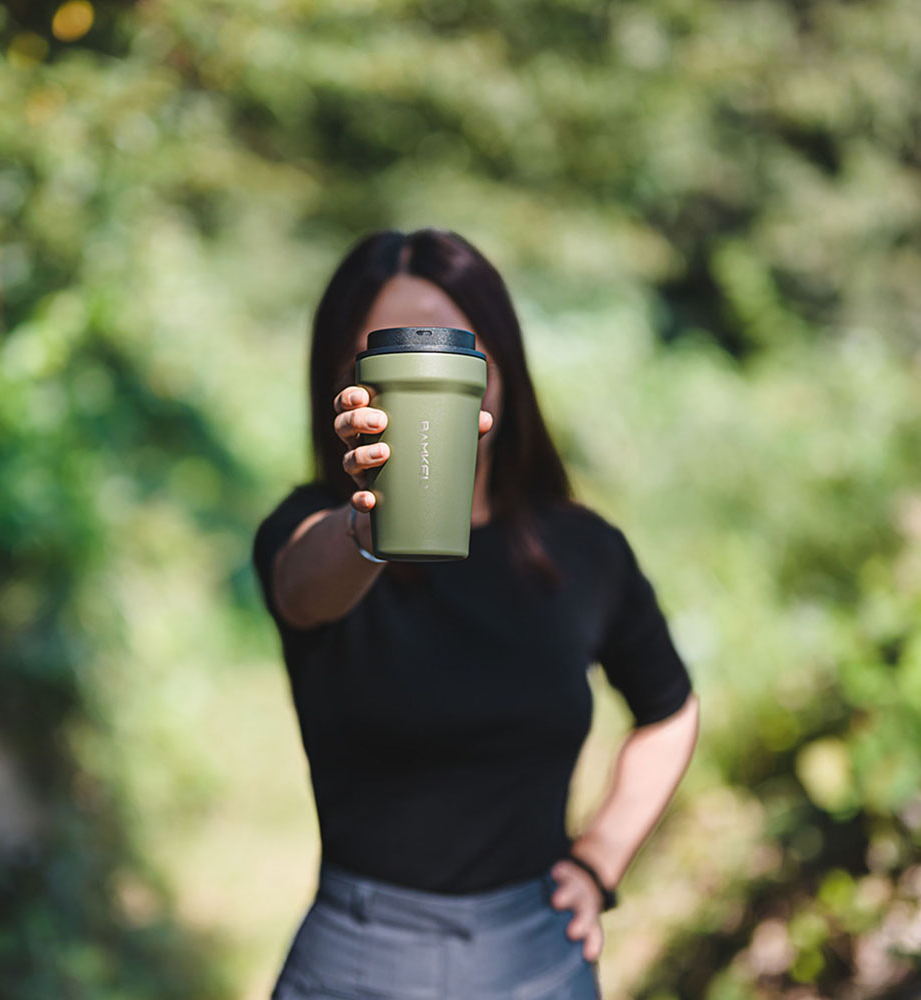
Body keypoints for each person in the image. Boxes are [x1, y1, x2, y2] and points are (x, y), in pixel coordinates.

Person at [253, 227, 700, 1000]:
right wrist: (372, 525)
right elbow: (302, 585)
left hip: (537, 960)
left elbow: (670, 710)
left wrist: (599, 860)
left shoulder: (584, 551)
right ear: (347, 386)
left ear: (500, 363)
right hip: (357, 962)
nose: (426, 370)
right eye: (390, 352)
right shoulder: (313, 529)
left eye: (454, 345)